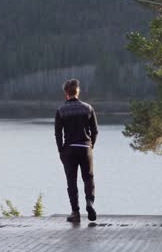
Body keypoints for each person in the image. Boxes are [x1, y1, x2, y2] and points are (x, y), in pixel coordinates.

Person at [55, 79, 98, 222]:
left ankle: (75, 213)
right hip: (85, 148)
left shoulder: (61, 110)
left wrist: (61, 151)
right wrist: (90, 146)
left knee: (71, 181)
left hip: (69, 150)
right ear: (77, 92)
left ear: (66, 93)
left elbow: (58, 134)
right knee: (88, 178)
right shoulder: (88, 108)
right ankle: (90, 203)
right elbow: (95, 131)